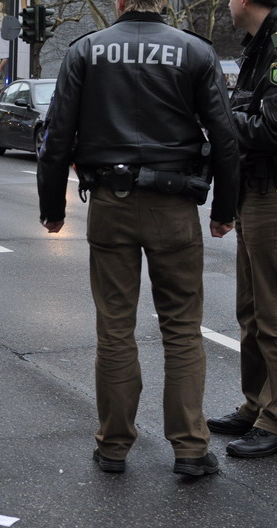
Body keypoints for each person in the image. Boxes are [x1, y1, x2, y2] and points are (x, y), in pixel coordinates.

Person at [37, 0, 240, 475]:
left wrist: (51, 209)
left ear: (119, 3)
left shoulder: (85, 51)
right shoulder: (195, 51)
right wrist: (225, 209)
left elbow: (57, 137)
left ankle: (113, 445)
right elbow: (225, 137)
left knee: (114, 328)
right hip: (174, 205)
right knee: (183, 329)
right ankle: (190, 447)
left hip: (111, 202)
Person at [206, 0, 277, 459]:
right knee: (250, 313)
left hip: (273, 193)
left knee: (272, 316)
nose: (227, 3)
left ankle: (274, 417)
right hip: (256, 190)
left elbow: (271, 127)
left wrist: (215, 118)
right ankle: (255, 405)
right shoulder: (258, 45)